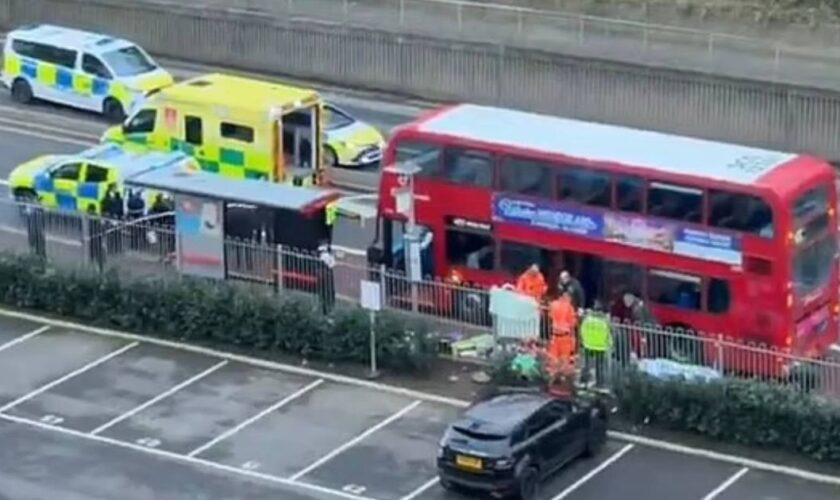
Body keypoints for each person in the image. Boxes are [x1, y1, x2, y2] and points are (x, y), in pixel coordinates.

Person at [579, 300, 611, 387]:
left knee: (586, 364)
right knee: (599, 366)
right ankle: (600, 383)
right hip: (600, 346)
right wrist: (609, 344)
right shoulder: (604, 321)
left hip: (588, 344)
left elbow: (582, 330)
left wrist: (583, 340)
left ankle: (583, 381)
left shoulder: (588, 319)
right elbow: (608, 333)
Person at [548, 291, 578, 375]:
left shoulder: (553, 304)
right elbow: (572, 323)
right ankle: (562, 378)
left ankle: (553, 377)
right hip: (565, 337)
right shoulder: (569, 307)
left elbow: (550, 315)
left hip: (555, 335)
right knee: (564, 361)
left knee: (553, 360)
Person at [317, 241, 336, 316]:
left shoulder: (320, 255)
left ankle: (324, 308)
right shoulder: (327, 256)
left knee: (323, 292)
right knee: (328, 292)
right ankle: (328, 308)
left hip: (322, 275)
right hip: (327, 275)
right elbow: (332, 264)